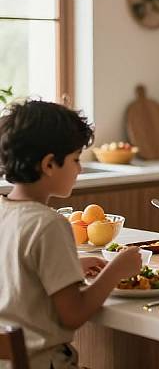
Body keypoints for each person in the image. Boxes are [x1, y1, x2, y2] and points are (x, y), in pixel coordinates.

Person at [0, 100, 142, 369]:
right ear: (49, 164)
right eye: (76, 159)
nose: (80, 169)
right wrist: (116, 270)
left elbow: (15, 275)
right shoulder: (49, 224)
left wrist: (69, 267)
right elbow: (73, 315)